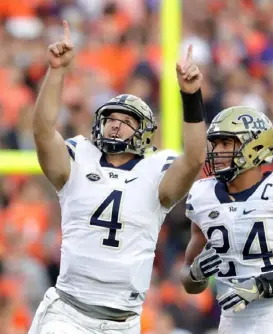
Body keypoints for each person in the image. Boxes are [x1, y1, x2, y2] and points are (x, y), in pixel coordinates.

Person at [29, 20, 206, 334]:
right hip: (68, 312)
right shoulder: (78, 157)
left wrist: (191, 96)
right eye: (110, 118)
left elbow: (194, 158)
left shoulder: (156, 169)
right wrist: (57, 71)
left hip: (123, 321)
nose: (115, 124)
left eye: (126, 121)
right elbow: (43, 133)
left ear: (144, 132)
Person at [180, 106, 273, 334]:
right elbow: (189, 281)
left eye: (226, 143)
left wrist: (263, 285)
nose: (217, 151)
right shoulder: (203, 196)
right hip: (229, 320)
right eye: (215, 143)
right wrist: (195, 274)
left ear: (255, 147)